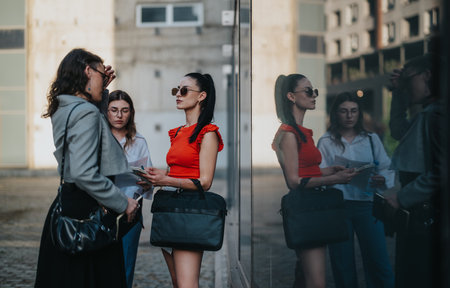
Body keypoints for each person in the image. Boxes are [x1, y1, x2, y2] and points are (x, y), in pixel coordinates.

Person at [35, 48, 139, 288]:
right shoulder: (85, 113)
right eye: (101, 74)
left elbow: (94, 116)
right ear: (87, 71)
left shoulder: (64, 107)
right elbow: (84, 172)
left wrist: (101, 90)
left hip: (67, 206)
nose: (105, 79)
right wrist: (124, 202)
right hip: (89, 212)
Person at [271, 74, 356, 288]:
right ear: (291, 96)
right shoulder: (289, 134)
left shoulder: (301, 132)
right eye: (308, 91)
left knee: (306, 276)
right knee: (316, 282)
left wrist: (328, 171)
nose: (314, 95)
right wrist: (334, 178)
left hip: (312, 207)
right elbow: (293, 181)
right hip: (305, 209)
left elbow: (305, 170)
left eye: (314, 91)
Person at [141, 72, 223, 288]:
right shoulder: (178, 132)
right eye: (176, 90)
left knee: (187, 284)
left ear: (201, 96)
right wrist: (154, 178)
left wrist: (165, 180)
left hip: (190, 212)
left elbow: (205, 182)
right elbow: (175, 172)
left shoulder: (208, 133)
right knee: (178, 283)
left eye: (184, 90)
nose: (178, 94)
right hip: (172, 210)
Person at [317, 92, 395, 288]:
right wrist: (336, 177)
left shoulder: (371, 139)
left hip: (368, 206)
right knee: (342, 265)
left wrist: (382, 179)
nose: (349, 116)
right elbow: (319, 175)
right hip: (338, 208)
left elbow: (386, 166)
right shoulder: (325, 141)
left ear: (359, 114)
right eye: (344, 111)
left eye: (353, 111)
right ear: (336, 114)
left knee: (378, 262)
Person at [385, 53, 442, 288]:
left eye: (409, 80)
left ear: (427, 76)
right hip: (418, 214)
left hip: (427, 216)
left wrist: (401, 197)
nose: (406, 86)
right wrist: (398, 93)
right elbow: (399, 131)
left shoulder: (438, 115)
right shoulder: (428, 112)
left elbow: (443, 170)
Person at [106, 90, 153, 288]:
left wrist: (146, 181)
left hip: (131, 213)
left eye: (124, 110)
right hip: (103, 209)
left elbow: (148, 180)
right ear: (106, 112)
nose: (119, 115)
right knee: (102, 267)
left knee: (126, 266)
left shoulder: (139, 141)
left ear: (131, 113)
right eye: (114, 110)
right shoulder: (100, 139)